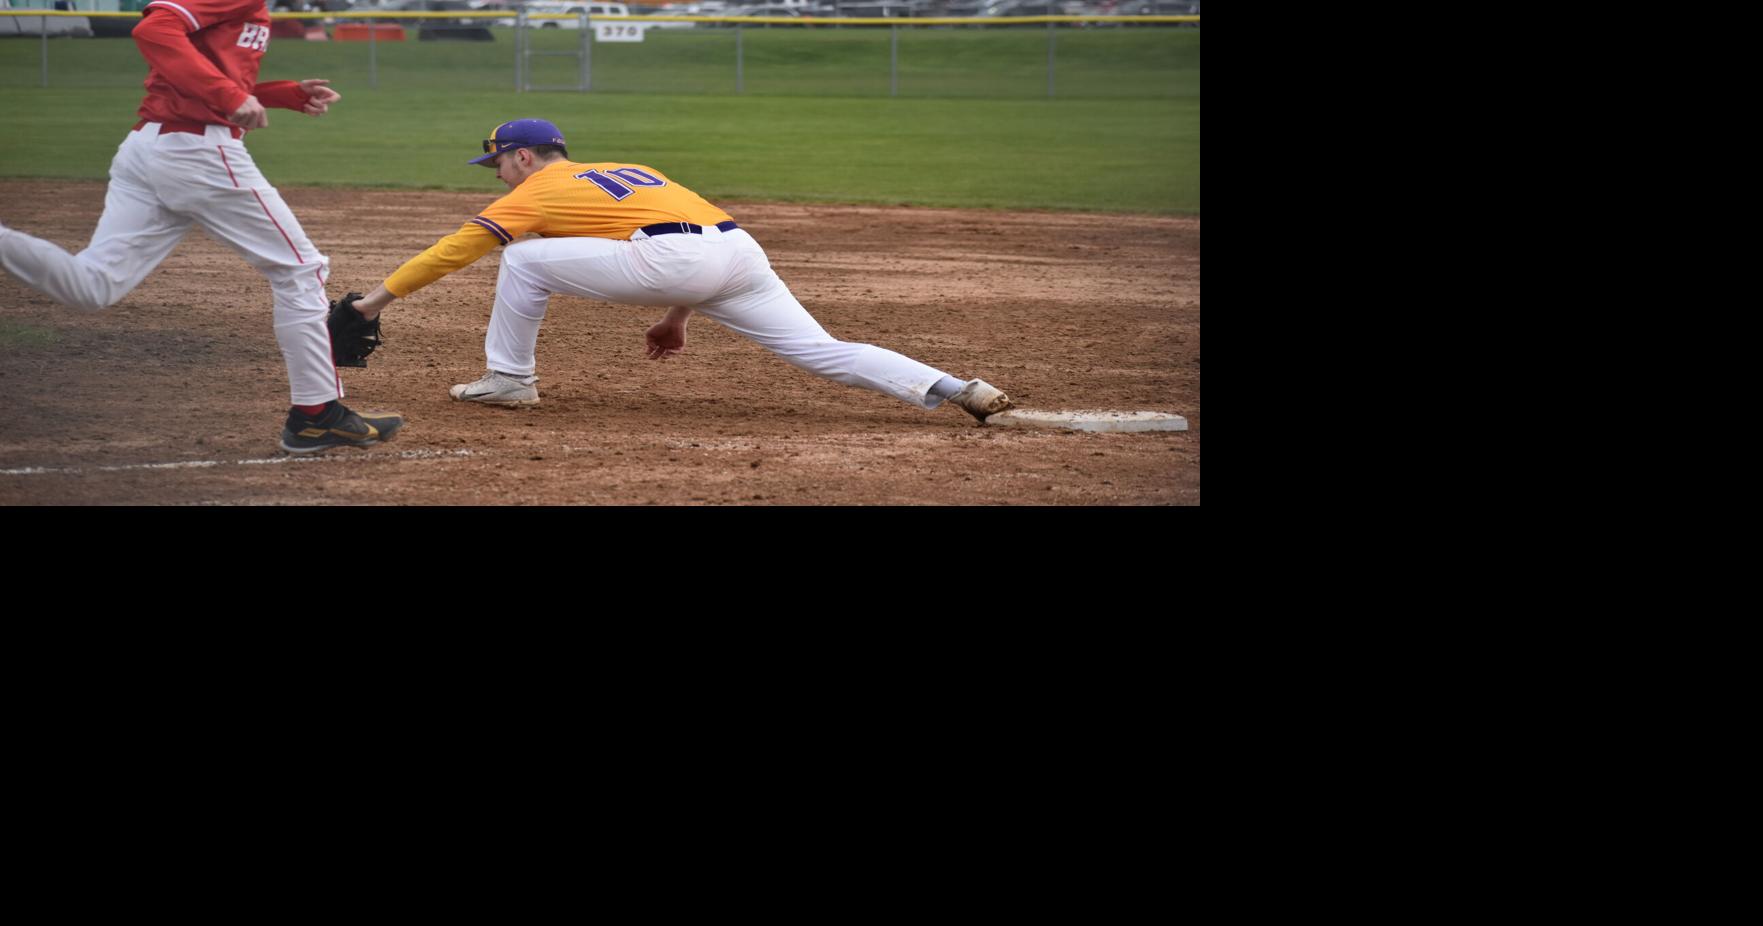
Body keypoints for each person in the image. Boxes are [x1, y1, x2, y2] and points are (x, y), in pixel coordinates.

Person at [338, 118, 1014, 423]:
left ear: (520, 156)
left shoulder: (535, 189)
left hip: (678, 258)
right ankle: (960, 388)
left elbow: (458, 248)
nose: (498, 175)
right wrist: (677, 313)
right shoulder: (631, 170)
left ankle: (510, 381)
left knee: (518, 258)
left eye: (498, 163)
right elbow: (697, 238)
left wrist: (371, 305)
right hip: (737, 254)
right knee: (822, 351)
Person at [0, 0, 403, 454]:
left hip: (153, 146)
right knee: (300, 270)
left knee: (93, 285)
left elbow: (205, 72)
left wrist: (277, 94)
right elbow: (155, 31)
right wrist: (233, 99)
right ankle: (316, 416)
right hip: (197, 152)